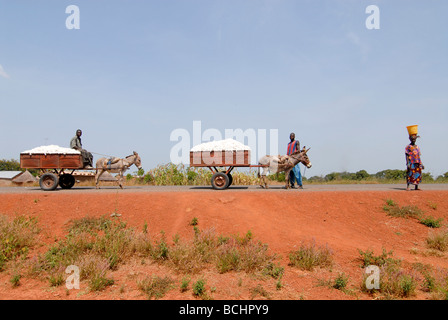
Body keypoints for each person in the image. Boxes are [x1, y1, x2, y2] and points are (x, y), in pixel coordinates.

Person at [405, 125, 424, 191]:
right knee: (410, 173)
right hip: (411, 162)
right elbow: (406, 155)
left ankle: (416, 187)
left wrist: (421, 163)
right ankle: (408, 186)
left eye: (414, 139)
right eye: (412, 139)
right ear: (410, 139)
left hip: (417, 162)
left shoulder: (417, 147)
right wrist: (407, 162)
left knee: (417, 174)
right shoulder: (408, 147)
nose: (413, 140)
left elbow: (419, 155)